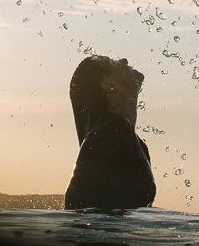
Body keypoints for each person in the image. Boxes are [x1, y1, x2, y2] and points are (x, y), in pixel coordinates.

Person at [64, 55, 156, 210]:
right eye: (113, 63)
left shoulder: (127, 138)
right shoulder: (114, 131)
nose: (125, 61)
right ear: (109, 85)